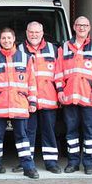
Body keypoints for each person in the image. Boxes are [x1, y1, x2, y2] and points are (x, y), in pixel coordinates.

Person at [0, 28, 39, 179]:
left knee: (22, 139)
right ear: (0, 40)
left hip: (19, 104)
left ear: (14, 39)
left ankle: (28, 167)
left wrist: (32, 101)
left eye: (9, 38)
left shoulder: (26, 58)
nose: (6, 41)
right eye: (3, 38)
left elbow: (31, 82)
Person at [55, 16, 92, 175]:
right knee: (71, 132)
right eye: (79, 25)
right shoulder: (64, 47)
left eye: (85, 25)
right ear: (74, 27)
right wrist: (60, 90)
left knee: (89, 132)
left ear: (89, 27)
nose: (82, 28)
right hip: (69, 97)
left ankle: (89, 163)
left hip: (88, 97)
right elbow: (58, 71)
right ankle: (73, 162)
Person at [13, 21, 61, 174]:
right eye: (31, 32)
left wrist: (60, 93)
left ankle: (51, 162)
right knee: (28, 132)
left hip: (49, 99)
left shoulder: (54, 50)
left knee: (49, 131)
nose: (34, 35)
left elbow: (59, 73)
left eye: (37, 32)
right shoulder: (18, 50)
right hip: (26, 100)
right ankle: (26, 162)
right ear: (26, 33)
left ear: (42, 33)